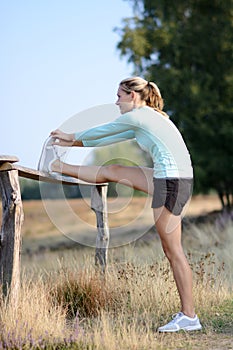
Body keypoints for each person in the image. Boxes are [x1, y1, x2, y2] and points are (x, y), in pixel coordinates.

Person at [39, 76, 202, 332]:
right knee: (113, 170)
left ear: (133, 96)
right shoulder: (144, 119)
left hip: (172, 182)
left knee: (173, 251)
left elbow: (102, 130)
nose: (116, 102)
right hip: (169, 177)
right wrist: (69, 142)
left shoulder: (139, 117)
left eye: (119, 96)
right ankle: (56, 166)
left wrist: (68, 135)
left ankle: (189, 316)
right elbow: (105, 138)